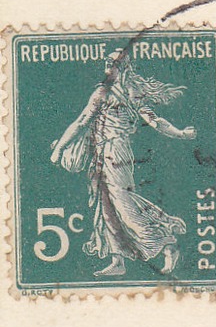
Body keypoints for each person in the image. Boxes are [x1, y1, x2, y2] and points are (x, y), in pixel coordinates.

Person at [50, 50, 195, 277]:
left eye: (114, 62)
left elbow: (153, 120)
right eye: (107, 61)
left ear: (124, 66)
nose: (108, 64)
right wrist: (181, 134)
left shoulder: (114, 92)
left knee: (124, 205)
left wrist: (181, 134)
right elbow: (84, 122)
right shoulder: (109, 90)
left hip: (115, 152)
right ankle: (118, 261)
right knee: (106, 207)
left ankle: (167, 244)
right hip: (102, 153)